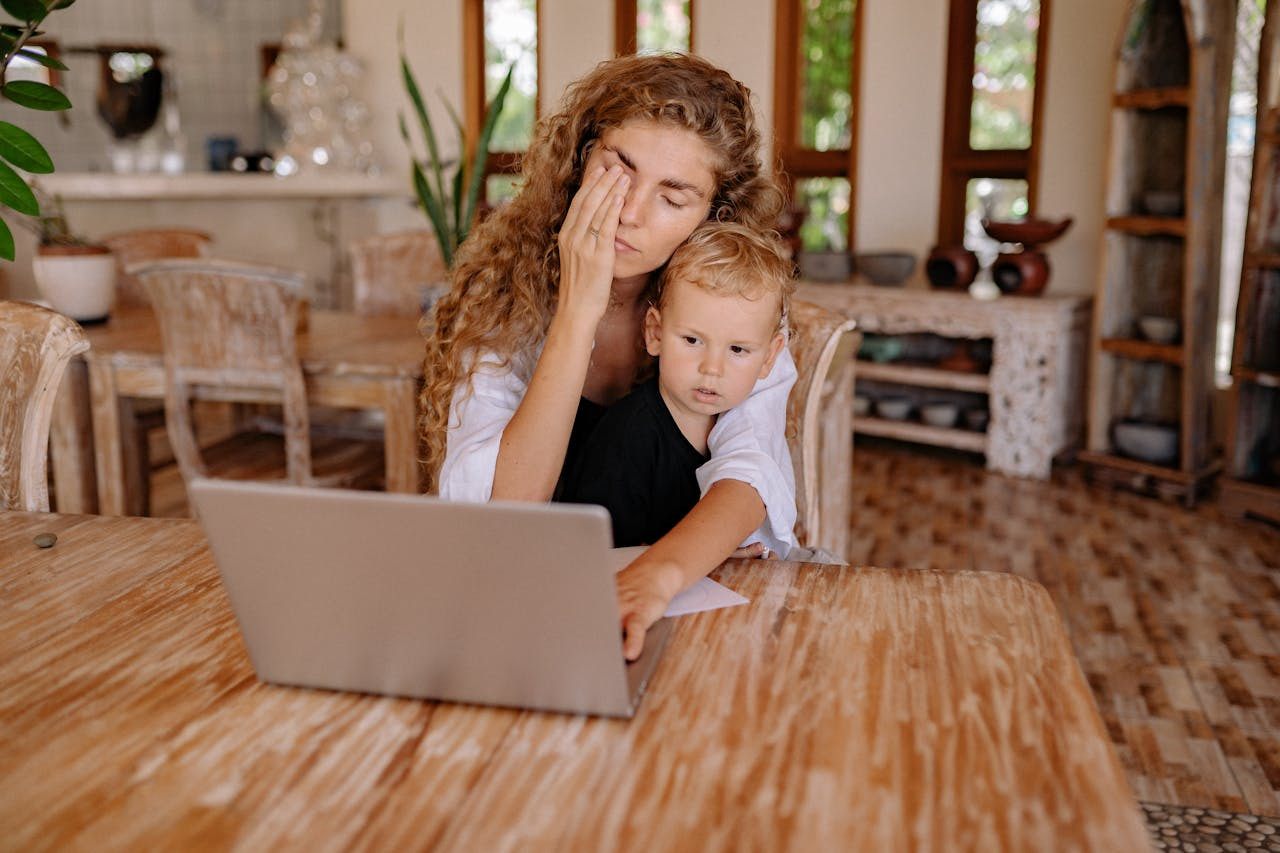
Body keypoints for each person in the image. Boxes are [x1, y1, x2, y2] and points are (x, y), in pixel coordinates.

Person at [419, 52, 796, 660]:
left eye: (673, 199)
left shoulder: (733, 307)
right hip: (529, 600)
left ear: (712, 216)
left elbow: (750, 472)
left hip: (678, 593)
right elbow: (498, 511)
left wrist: (660, 575)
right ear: (579, 161)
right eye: (617, 171)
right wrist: (577, 307)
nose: (629, 212)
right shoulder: (499, 295)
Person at [559, 221, 795, 552]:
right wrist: (710, 560)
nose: (712, 368)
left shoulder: (740, 426)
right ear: (655, 333)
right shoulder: (627, 439)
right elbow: (593, 556)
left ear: (769, 357)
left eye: (737, 349)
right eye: (692, 340)